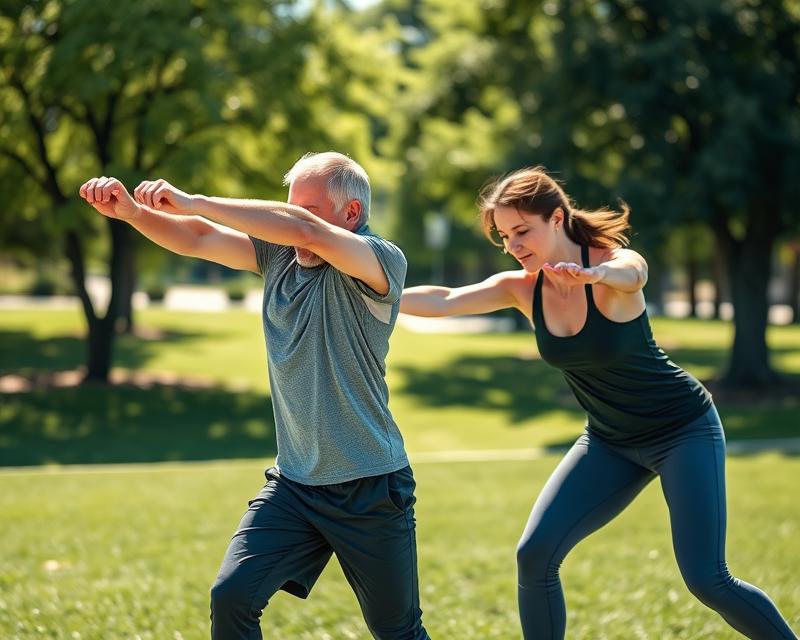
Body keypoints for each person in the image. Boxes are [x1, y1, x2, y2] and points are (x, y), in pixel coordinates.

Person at [400, 166, 797, 639]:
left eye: (522, 231)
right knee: (535, 554)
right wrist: (372, 289)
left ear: (557, 218)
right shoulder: (522, 288)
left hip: (682, 430)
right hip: (609, 441)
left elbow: (634, 272)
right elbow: (445, 298)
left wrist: (594, 274)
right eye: (505, 236)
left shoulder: (611, 268)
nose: (514, 246)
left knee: (707, 579)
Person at [79, 152, 431, 640]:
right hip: (295, 483)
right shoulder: (279, 257)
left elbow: (305, 231)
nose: (287, 223)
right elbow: (200, 238)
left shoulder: (380, 261)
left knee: (398, 631)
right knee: (232, 597)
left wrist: (193, 200)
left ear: (351, 214)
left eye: (302, 211)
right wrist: (135, 214)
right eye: (288, 208)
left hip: (370, 487)